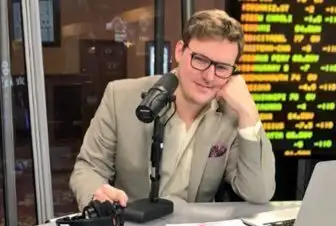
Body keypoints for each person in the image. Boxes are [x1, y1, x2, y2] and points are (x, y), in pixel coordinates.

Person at [70, 9, 276, 210]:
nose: (209, 77)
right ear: (179, 51)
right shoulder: (121, 97)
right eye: (200, 60)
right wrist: (97, 195)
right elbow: (88, 168)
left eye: (221, 67)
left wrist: (249, 112)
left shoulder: (231, 115)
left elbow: (258, 193)